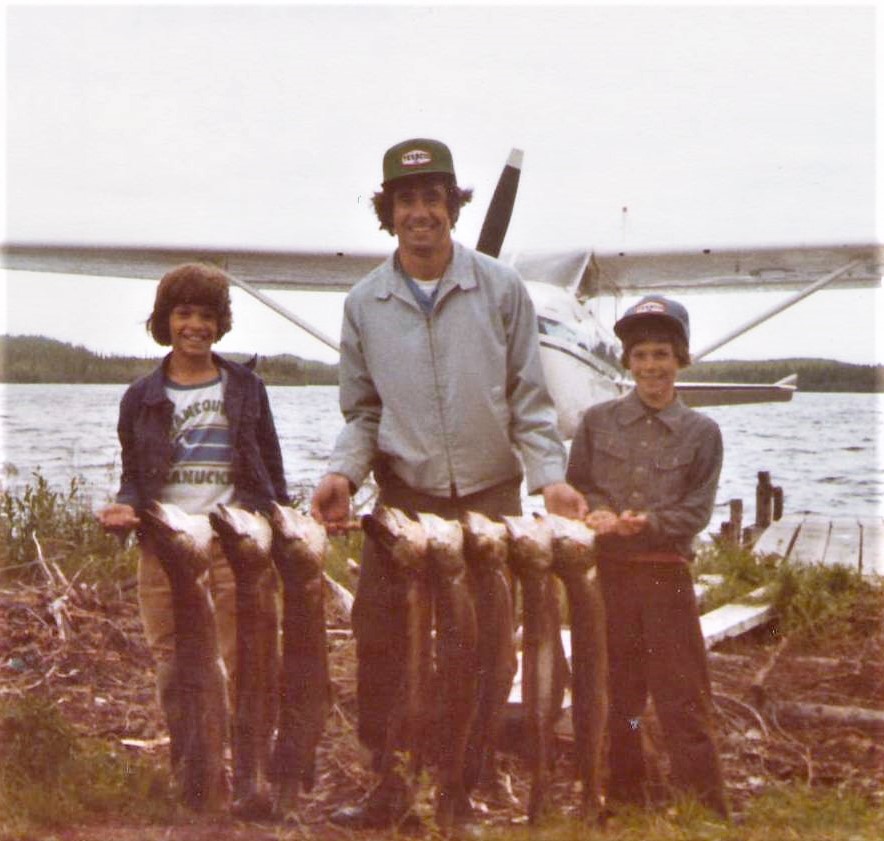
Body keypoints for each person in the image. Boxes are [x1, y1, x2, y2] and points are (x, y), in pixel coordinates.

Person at [311, 137, 587, 828]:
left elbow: (530, 401)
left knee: (484, 652)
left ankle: (462, 787)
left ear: (453, 206)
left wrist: (550, 480)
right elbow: (363, 411)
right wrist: (343, 473)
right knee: (381, 643)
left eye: (434, 198)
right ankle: (390, 786)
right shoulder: (363, 303)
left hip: (489, 504)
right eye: (406, 200)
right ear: (389, 211)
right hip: (404, 504)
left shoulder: (501, 289)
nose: (421, 213)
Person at [97, 262, 289, 739]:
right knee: (172, 659)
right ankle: (190, 763)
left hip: (233, 544)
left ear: (220, 323)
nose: (195, 326)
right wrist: (126, 508)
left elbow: (271, 465)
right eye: (184, 313)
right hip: (165, 547)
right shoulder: (140, 397)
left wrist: (280, 524)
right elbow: (134, 475)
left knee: (240, 656)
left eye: (207, 315)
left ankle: (241, 761)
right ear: (165, 320)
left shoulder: (247, 388)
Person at [565, 295, 729, 819]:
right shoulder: (596, 422)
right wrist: (598, 513)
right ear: (627, 362)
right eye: (640, 355)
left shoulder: (703, 433)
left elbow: (696, 512)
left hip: (665, 581)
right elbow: (580, 488)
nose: (651, 366)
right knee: (621, 696)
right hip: (607, 581)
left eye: (662, 353)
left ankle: (705, 805)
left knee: (682, 697)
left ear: (680, 358)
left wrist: (648, 524)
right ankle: (626, 794)